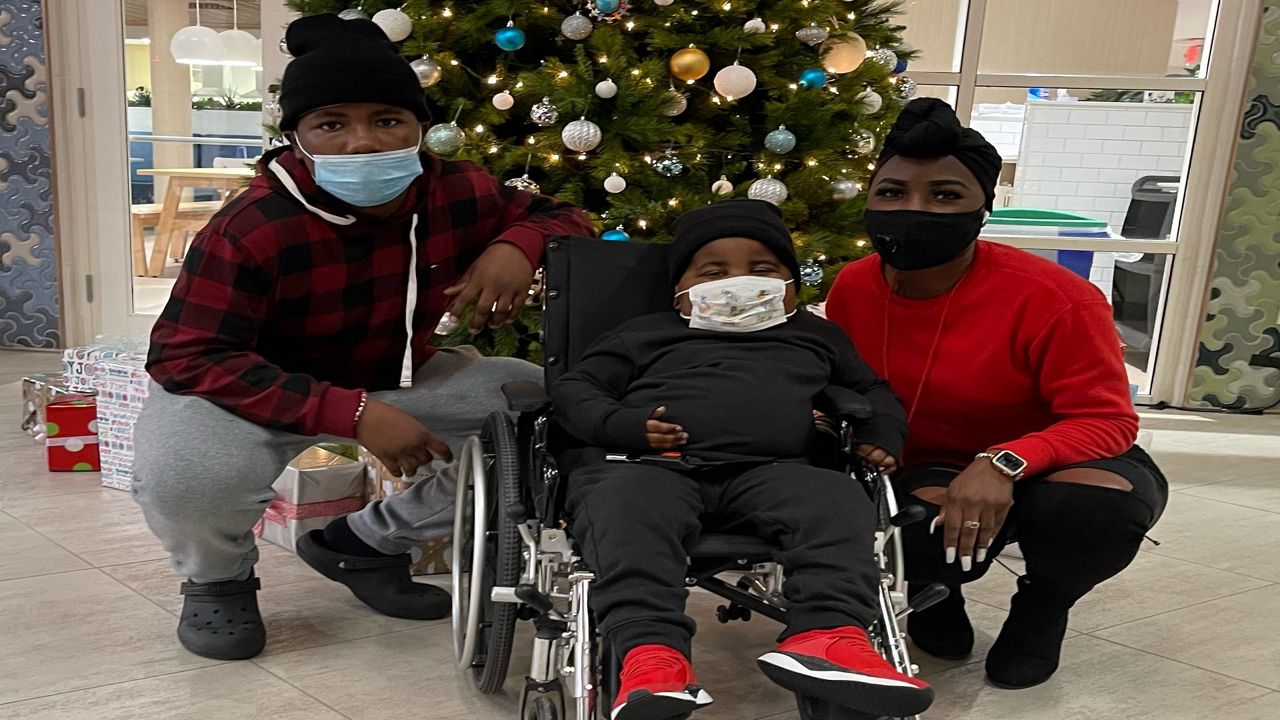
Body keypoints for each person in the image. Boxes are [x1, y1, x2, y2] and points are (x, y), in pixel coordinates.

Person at [131, 14, 593, 662]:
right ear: (296, 136)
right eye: (331, 124)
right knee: (185, 470)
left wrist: (520, 244)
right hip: (247, 390)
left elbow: (567, 215)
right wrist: (347, 412)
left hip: (400, 375)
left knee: (552, 417)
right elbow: (185, 353)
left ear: (416, 127)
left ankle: (363, 546)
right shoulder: (252, 226)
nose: (362, 143)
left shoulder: (457, 189)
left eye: (386, 119)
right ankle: (217, 580)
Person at [825, 98, 1168, 690]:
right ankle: (939, 597)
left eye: (945, 195)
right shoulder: (854, 285)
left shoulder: (1054, 296)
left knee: (1095, 513)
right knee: (906, 520)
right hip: (927, 462)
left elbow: (1107, 420)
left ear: (983, 207)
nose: (914, 209)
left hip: (1059, 459)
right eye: (892, 192)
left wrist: (1003, 461)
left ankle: (1044, 605)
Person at [552, 199, 934, 720]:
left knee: (836, 496)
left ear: (792, 286)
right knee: (622, 506)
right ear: (681, 292)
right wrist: (625, 427)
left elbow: (871, 390)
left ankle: (829, 634)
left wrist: (880, 433)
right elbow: (578, 389)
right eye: (714, 271)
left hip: (774, 472)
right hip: (650, 467)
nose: (739, 280)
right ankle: (650, 654)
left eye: (763, 270)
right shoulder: (647, 333)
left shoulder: (813, 336)